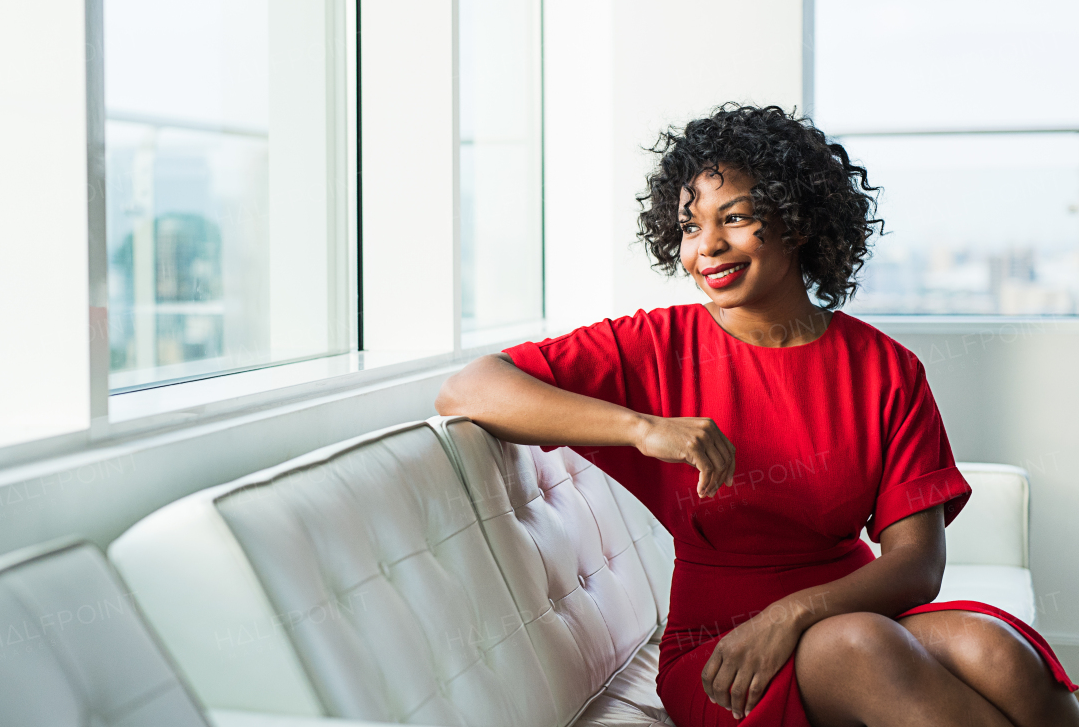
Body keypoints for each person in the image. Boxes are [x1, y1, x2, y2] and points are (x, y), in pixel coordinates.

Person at [435, 104, 1078, 727]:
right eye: (689, 226)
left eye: (735, 218)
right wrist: (643, 427)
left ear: (797, 223)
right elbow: (468, 389)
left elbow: (918, 566)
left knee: (998, 652)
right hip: (724, 654)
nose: (707, 247)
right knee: (857, 646)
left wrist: (792, 613)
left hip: (851, 611)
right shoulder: (656, 345)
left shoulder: (886, 368)